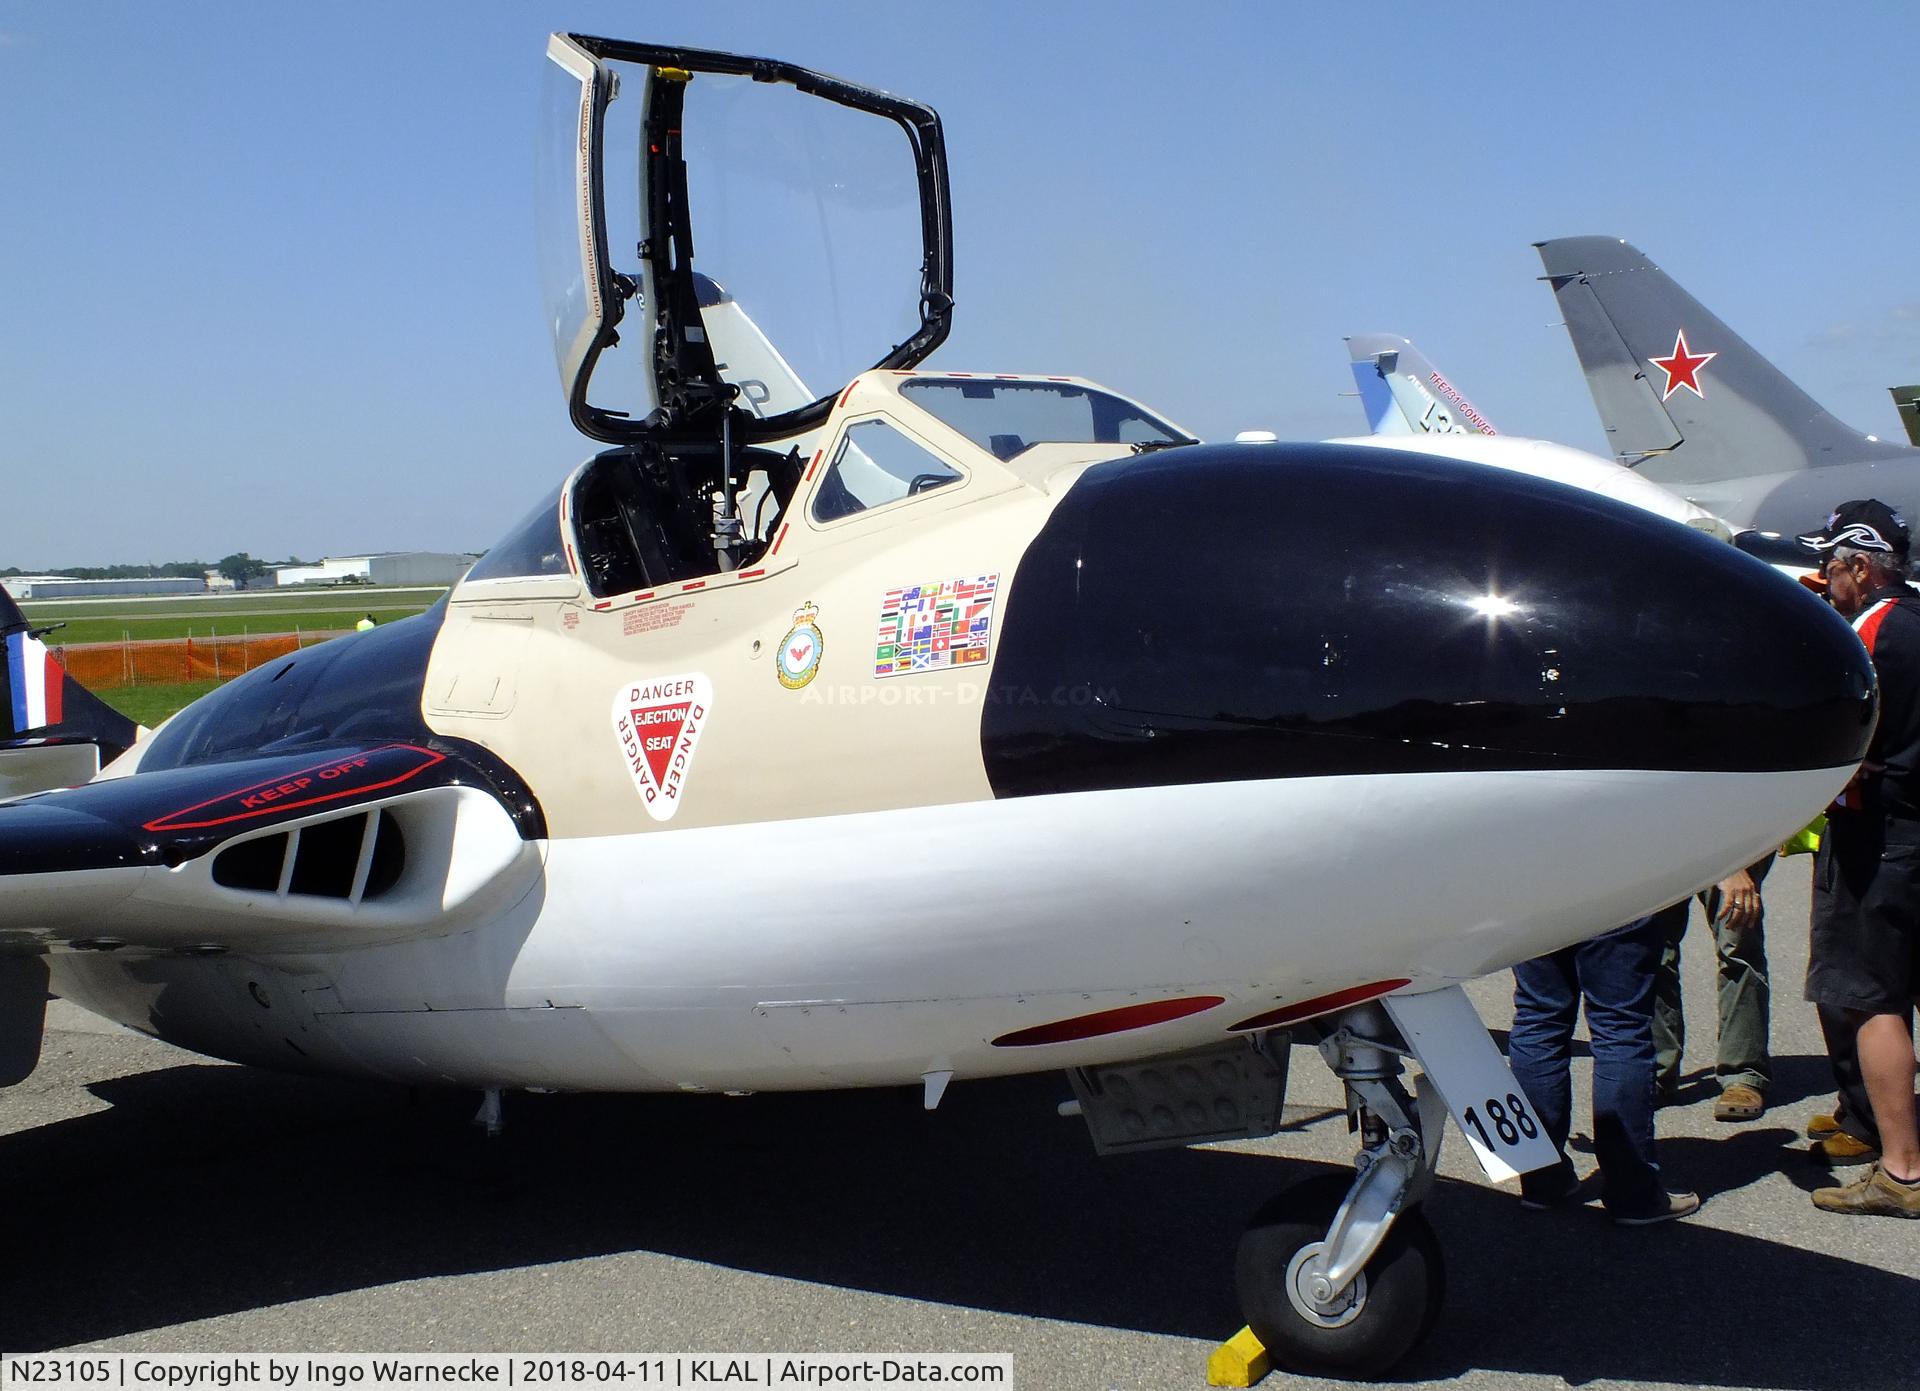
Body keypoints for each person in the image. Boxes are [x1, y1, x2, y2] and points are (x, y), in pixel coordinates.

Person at [1797, 500, 1920, 1217]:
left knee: (1874, 1000)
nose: (1824, 578)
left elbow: (1845, 732)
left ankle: (1901, 1169)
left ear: (1860, 565)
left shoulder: (1871, 631)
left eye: (1831, 565)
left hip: (1880, 835)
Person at [1508, 913, 1700, 1225]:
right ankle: (1633, 1194)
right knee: (1620, 1028)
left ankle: (1541, 1179)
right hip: (1613, 889)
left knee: (1539, 1018)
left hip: (1535, 892)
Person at [1651, 856, 1773, 1120]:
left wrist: (1734, 863)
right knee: (1653, 952)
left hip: (1730, 837)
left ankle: (1744, 1073)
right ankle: (1656, 1071)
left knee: (1737, 945)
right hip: (1667, 838)